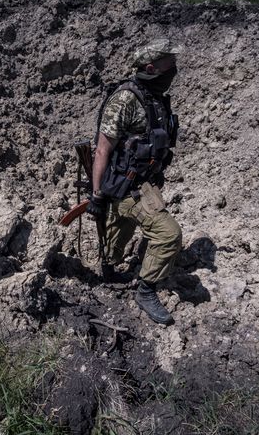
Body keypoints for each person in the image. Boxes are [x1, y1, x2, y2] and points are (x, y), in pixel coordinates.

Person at [86, 39, 184, 325]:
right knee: (168, 235)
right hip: (126, 185)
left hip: (143, 181)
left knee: (119, 234)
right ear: (152, 68)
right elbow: (102, 148)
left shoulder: (153, 95)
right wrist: (97, 196)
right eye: (169, 64)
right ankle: (145, 289)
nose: (174, 69)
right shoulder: (126, 99)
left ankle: (109, 266)